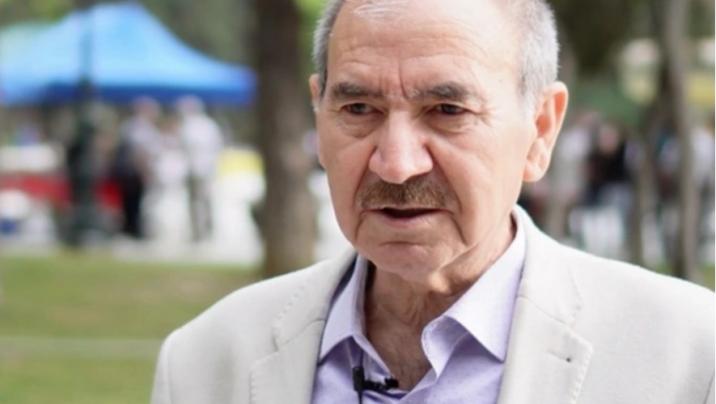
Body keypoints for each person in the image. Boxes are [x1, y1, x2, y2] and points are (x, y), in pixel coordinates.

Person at [151, 1, 714, 403]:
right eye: (359, 109)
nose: (396, 163)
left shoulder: (688, 357)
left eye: (448, 111)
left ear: (540, 130)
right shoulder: (207, 361)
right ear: (319, 117)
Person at [175, 96, 224, 242]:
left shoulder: (190, 126)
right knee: (204, 200)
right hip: (204, 168)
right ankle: (204, 231)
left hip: (198, 169)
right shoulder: (209, 125)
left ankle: (201, 232)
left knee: (198, 201)